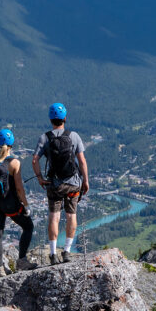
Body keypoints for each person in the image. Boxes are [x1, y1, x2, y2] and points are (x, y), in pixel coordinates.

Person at [32, 103, 89, 265]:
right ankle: (67, 251)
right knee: (71, 215)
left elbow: (34, 160)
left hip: (54, 184)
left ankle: (52, 253)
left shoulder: (45, 138)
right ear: (64, 118)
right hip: (73, 184)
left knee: (54, 217)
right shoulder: (74, 136)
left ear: (51, 119)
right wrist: (85, 180)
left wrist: (40, 178)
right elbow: (82, 161)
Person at [0, 128, 34, 276]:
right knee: (28, 227)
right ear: (12, 144)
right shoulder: (14, 163)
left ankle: (0, 268)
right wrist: (25, 206)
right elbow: (19, 188)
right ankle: (22, 261)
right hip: (11, 204)